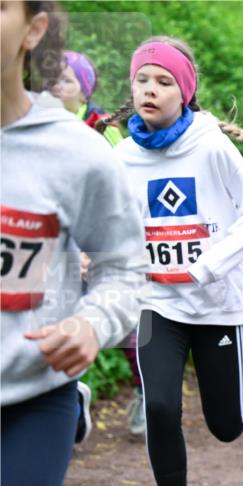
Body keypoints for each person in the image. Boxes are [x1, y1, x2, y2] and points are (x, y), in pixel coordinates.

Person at [106, 36, 243, 486]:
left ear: (183, 93)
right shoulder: (123, 156)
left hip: (212, 305)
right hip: (156, 304)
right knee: (161, 409)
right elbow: (116, 222)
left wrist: (209, 264)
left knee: (225, 426)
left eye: (164, 81)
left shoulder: (210, 147)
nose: (150, 89)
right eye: (143, 79)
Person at [1, 2, 146, 486]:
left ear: (32, 29)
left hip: (29, 400)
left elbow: (123, 269)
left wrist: (91, 322)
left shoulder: (76, 152)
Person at [50, 49, 145, 436]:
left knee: (124, 325)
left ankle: (143, 393)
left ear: (84, 91)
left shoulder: (103, 130)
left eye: (67, 80)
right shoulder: (30, 123)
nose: (57, 86)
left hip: (97, 239)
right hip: (49, 238)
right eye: (51, 78)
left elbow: (117, 197)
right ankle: (69, 395)